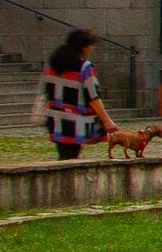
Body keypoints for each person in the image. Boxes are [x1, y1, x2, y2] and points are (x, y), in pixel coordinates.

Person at [39, 30, 119, 160]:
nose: (92, 49)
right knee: (72, 158)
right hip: (76, 121)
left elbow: (49, 91)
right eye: (91, 45)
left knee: (64, 155)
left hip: (57, 118)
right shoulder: (85, 67)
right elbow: (93, 96)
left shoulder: (55, 64)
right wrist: (106, 120)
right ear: (83, 47)